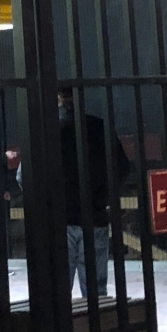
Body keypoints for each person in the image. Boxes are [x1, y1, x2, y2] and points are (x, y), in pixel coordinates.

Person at [59, 87, 131, 300]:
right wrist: (104, 197)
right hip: (95, 215)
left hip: (61, 218)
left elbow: (23, 176)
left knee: (58, 291)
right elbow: (122, 168)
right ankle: (96, 320)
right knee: (96, 291)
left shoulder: (48, 131)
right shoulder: (100, 127)